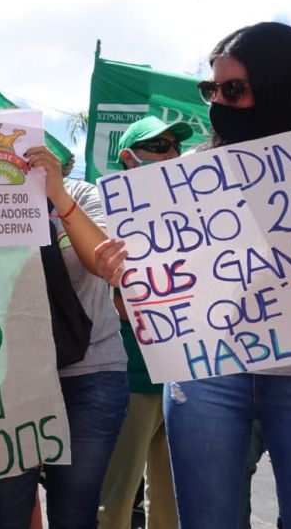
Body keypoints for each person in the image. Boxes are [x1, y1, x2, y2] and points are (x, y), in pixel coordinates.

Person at [95, 22, 291, 529]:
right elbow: (151, 284)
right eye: (210, 89)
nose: (217, 102)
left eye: (232, 89)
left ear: (282, 86)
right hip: (208, 373)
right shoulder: (190, 173)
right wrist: (126, 274)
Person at [0, 133, 130, 528]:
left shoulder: (82, 194)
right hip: (6, 378)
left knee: (74, 514)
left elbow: (104, 262)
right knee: (3, 511)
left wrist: (58, 196)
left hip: (89, 374)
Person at [98, 116, 188, 529]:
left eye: (175, 146)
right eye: (158, 146)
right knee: (114, 501)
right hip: (133, 375)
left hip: (184, 376)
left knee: (172, 504)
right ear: (127, 158)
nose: (171, 154)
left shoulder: (190, 213)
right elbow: (114, 302)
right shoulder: (104, 214)